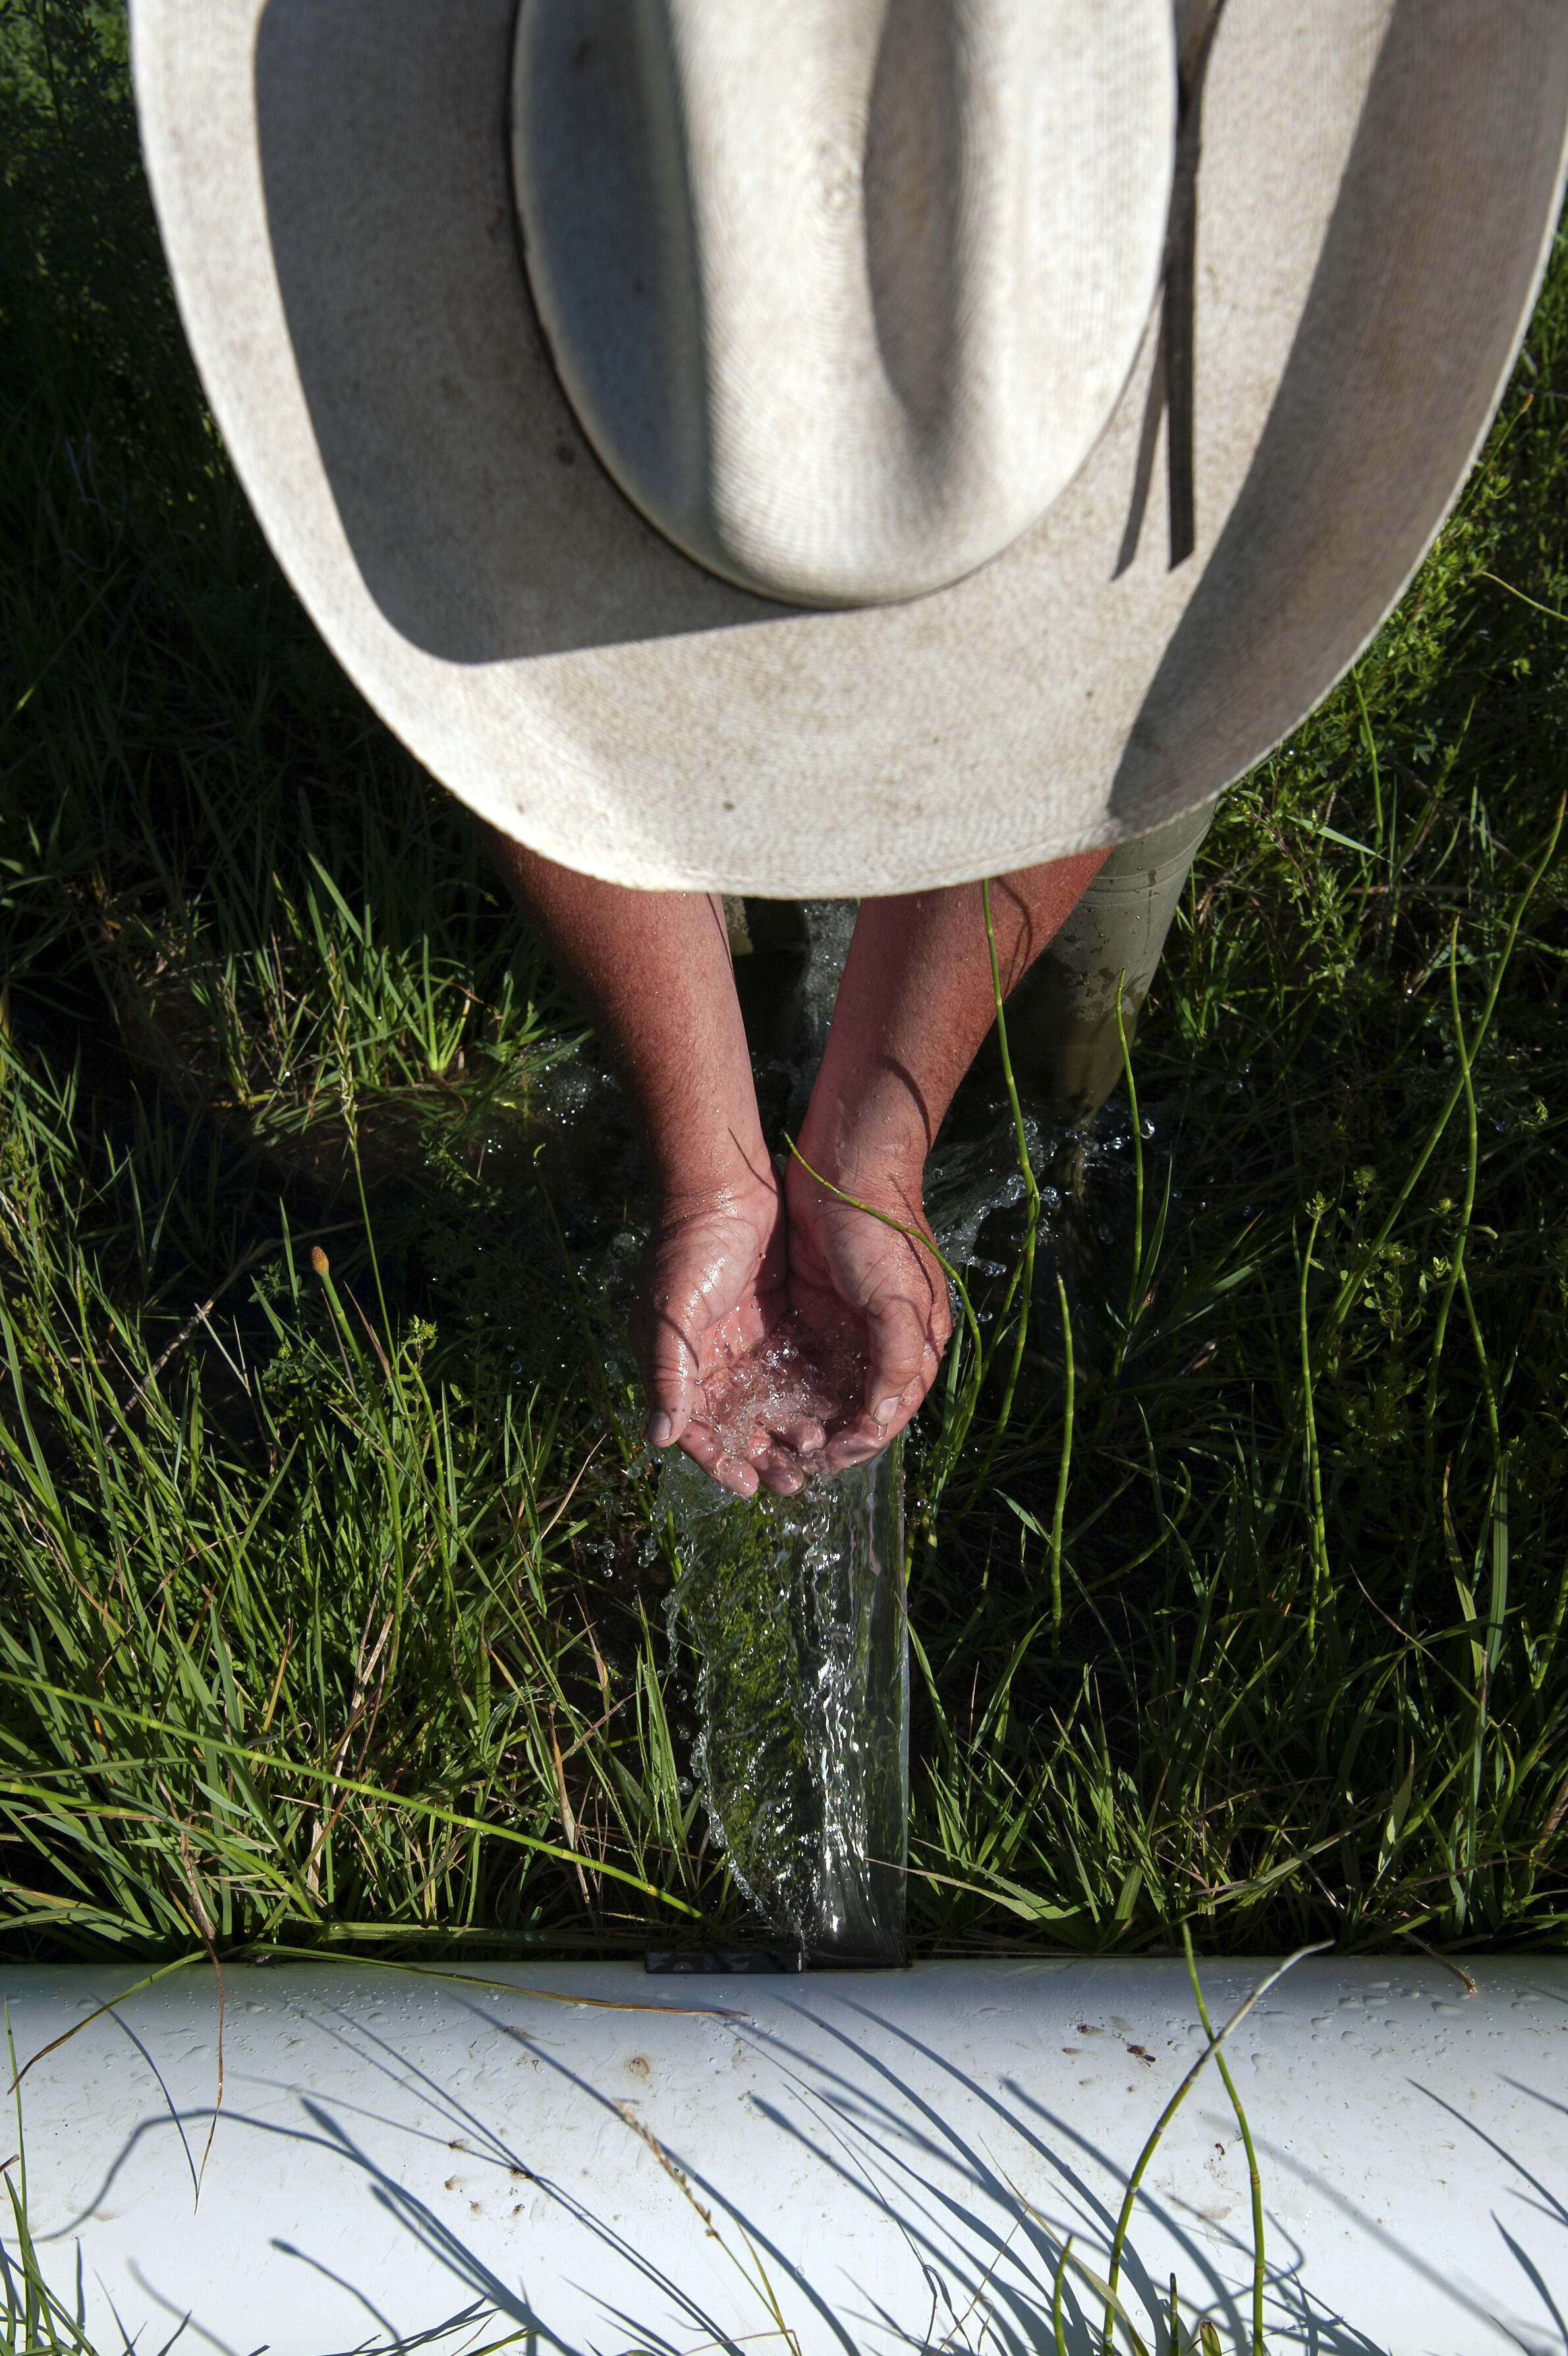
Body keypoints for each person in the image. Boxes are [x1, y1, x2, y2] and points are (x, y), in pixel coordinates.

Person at [488, 836, 1111, 1497]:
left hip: (1060, 809)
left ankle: (1046, 1227)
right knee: (744, 939)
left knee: (1068, 1018)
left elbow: (1065, 793)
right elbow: (578, 786)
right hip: (654, 789)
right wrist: (709, 1185)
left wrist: (876, 1170)